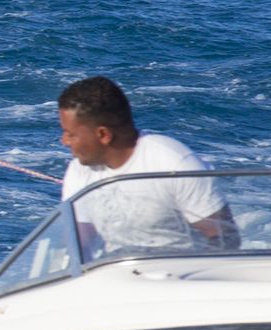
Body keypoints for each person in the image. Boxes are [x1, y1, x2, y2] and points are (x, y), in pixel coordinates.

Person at [57, 75, 232, 255]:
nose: (64, 141)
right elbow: (80, 245)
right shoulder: (78, 170)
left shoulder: (174, 162)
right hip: (119, 267)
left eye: (70, 134)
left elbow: (225, 237)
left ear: (103, 135)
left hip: (182, 266)